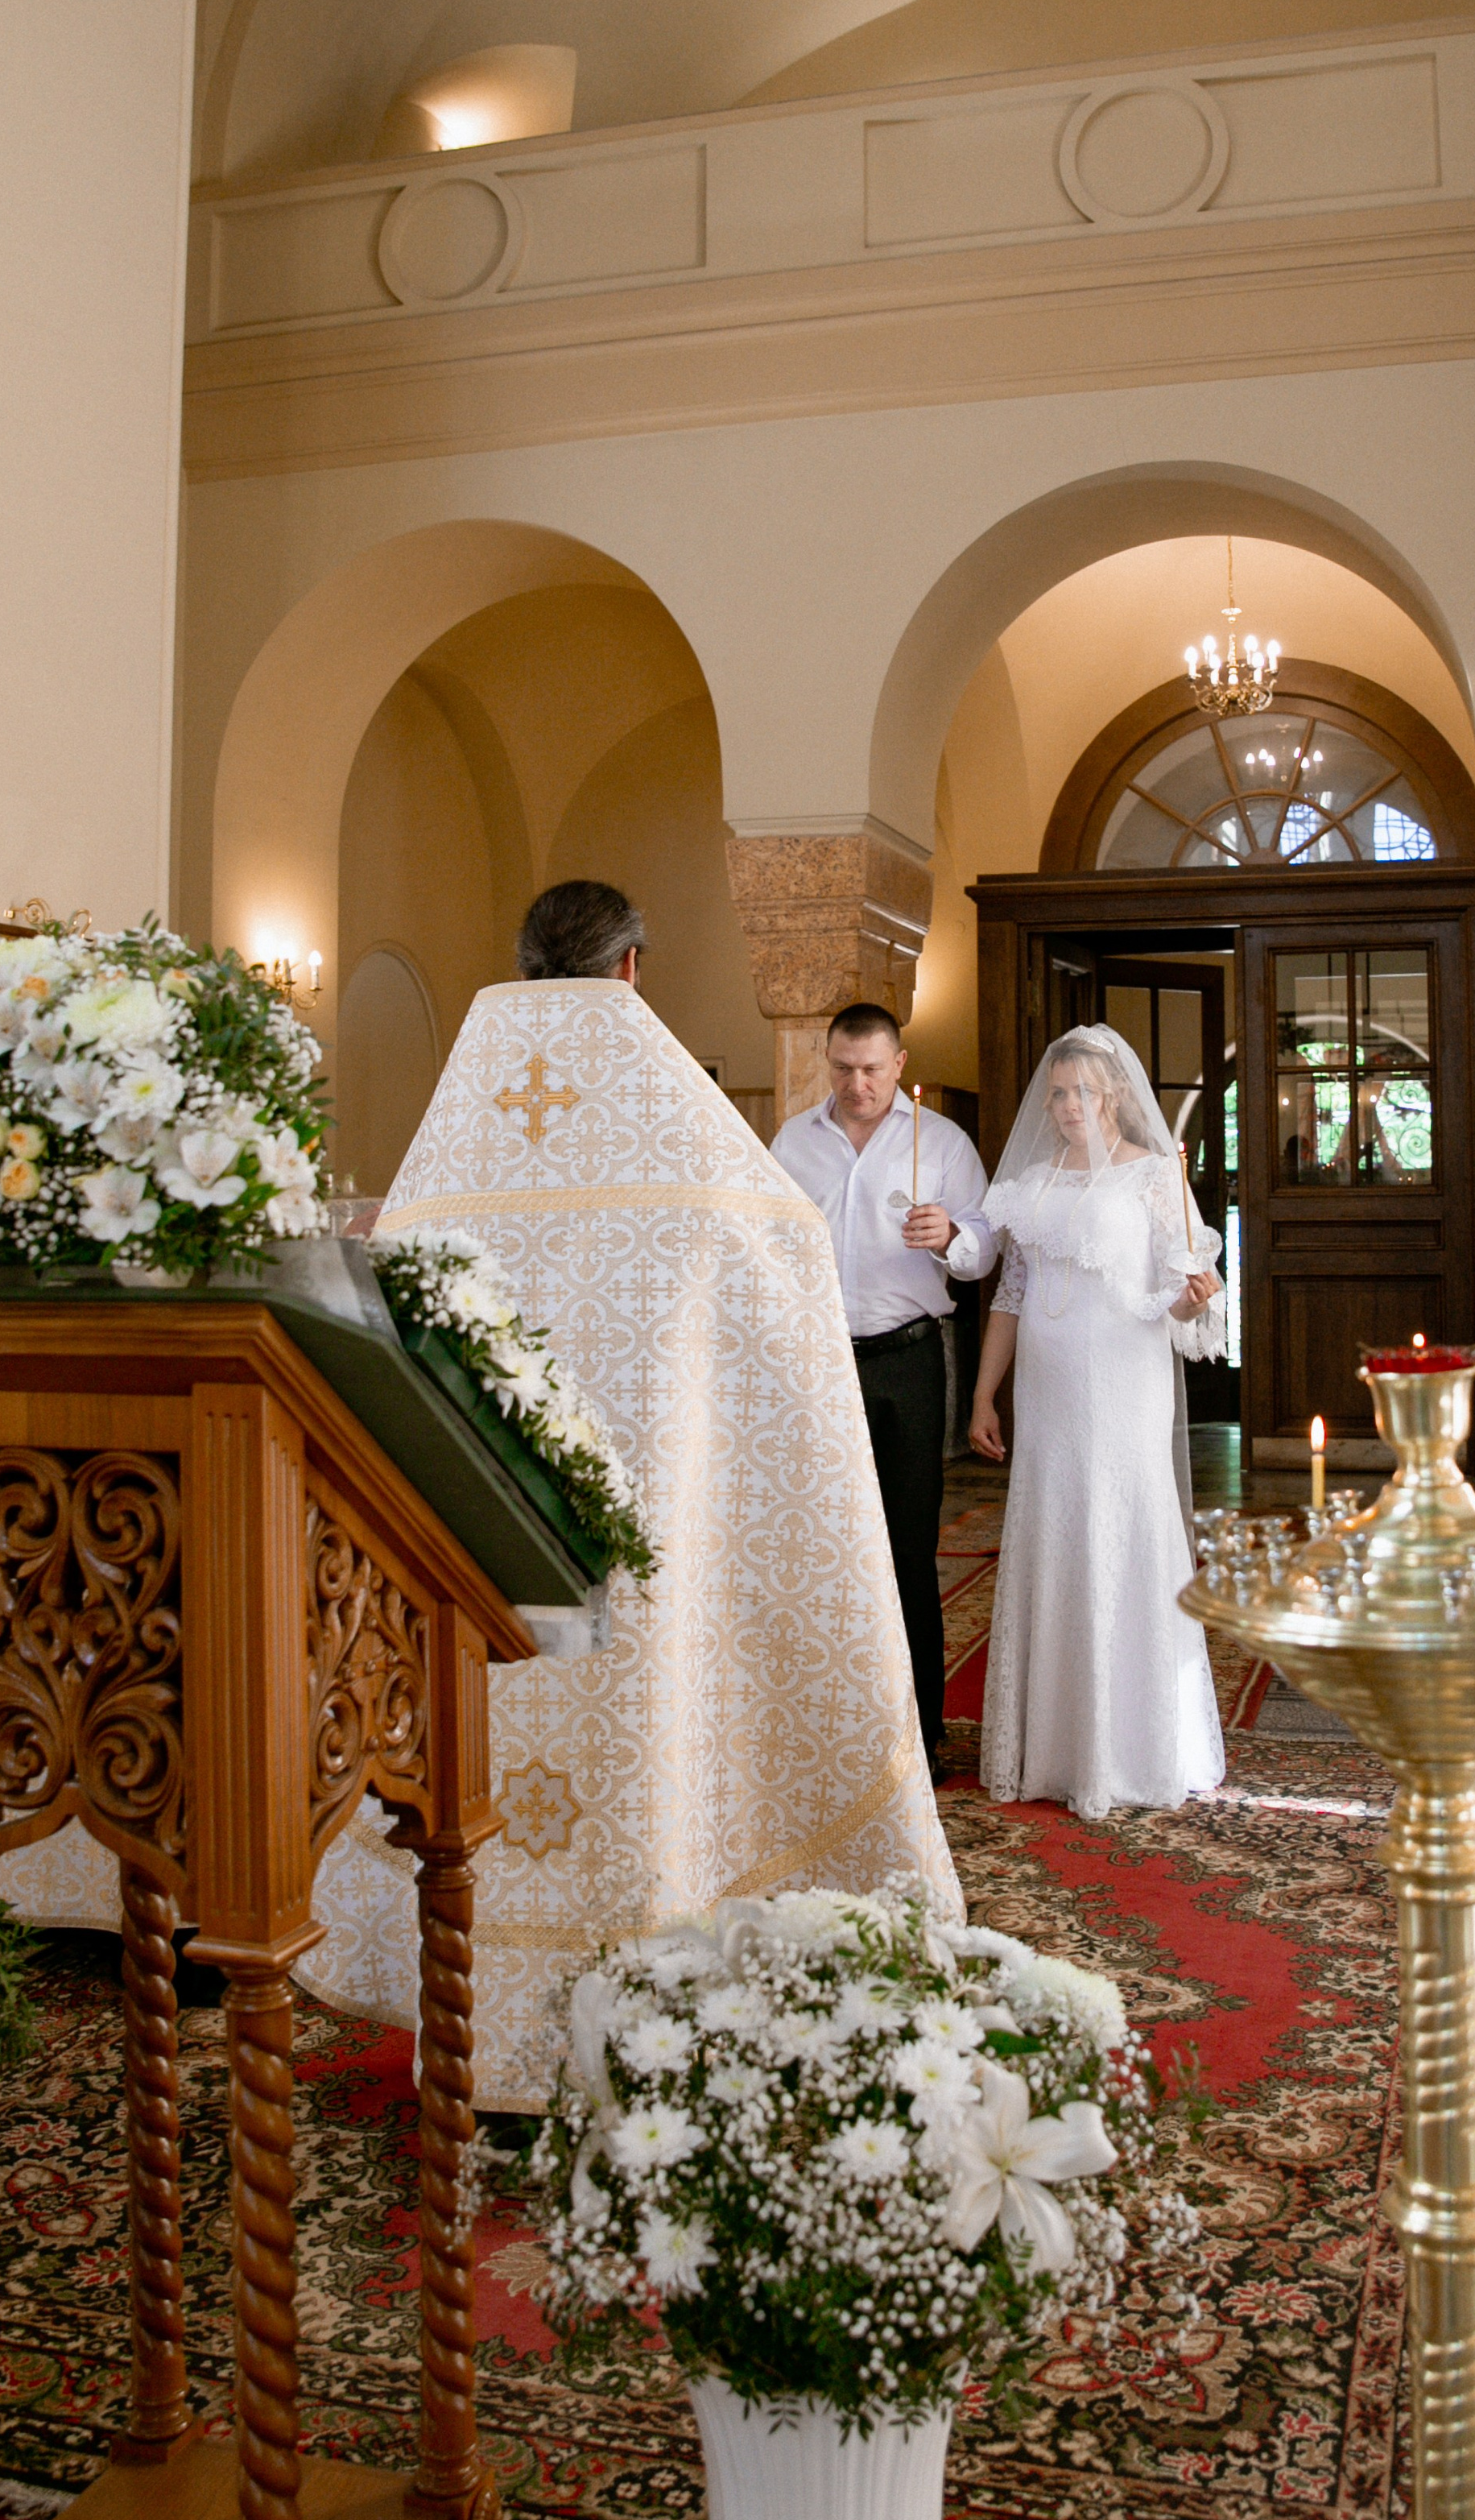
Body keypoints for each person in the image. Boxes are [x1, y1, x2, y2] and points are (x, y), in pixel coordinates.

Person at [299, 880, 960, 2106]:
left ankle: (487, 2030)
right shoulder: (676, 1120)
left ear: (525, 961)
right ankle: (657, 2018)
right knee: (659, 1741)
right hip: (651, 1528)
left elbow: (396, 1268)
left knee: (489, 1757)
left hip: (494, 1533)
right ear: (634, 971)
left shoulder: (469, 1118)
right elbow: (783, 1248)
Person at [969, 1025, 1227, 1821]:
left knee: (1125, 1532)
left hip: (1125, 1383)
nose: (1069, 1105)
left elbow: (1195, 1280)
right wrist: (985, 1394)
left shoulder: (1152, 1177)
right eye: (1058, 1093)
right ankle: (1054, 1746)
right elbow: (1009, 1296)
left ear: (1112, 1096)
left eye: (1083, 1091)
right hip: (1048, 1394)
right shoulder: (1034, 1184)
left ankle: (1137, 1747)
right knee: (1056, 1531)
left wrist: (1194, 1298)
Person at [771, 1004, 996, 1773]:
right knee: (821, 1549)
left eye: (871, 1069)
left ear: (899, 1064)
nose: (857, 1084)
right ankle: (827, 1734)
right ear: (826, 1062)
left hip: (907, 1361)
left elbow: (987, 1246)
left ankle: (920, 1739)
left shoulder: (943, 1143)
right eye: (842, 1069)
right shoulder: (792, 1142)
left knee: (906, 1548)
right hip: (817, 1364)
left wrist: (954, 1238)